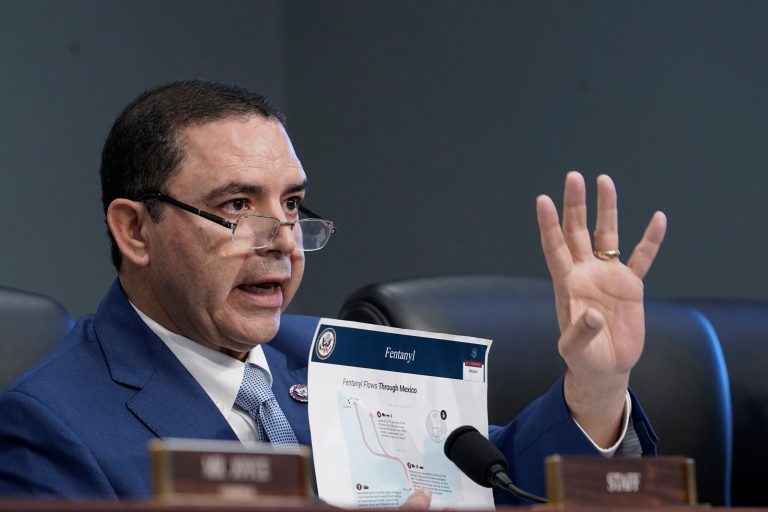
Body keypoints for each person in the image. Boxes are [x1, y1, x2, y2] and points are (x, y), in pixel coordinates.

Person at [0, 80, 667, 505]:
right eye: (237, 205)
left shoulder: (340, 358)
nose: (284, 240)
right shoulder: (50, 424)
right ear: (135, 229)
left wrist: (596, 385)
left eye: (292, 204)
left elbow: (505, 482)